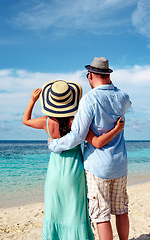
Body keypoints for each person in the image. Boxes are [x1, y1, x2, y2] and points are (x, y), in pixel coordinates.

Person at [23, 79, 124, 240]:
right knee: (76, 210)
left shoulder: (46, 122)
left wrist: (32, 100)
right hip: (75, 171)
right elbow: (96, 141)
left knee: (55, 210)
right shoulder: (75, 122)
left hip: (55, 173)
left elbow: (25, 120)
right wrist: (116, 129)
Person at [48, 57, 132, 240]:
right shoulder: (123, 97)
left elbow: (77, 136)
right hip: (120, 163)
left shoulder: (89, 99)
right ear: (108, 75)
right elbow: (127, 103)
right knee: (121, 209)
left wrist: (55, 145)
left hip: (98, 166)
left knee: (101, 215)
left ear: (91, 75)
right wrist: (109, 84)